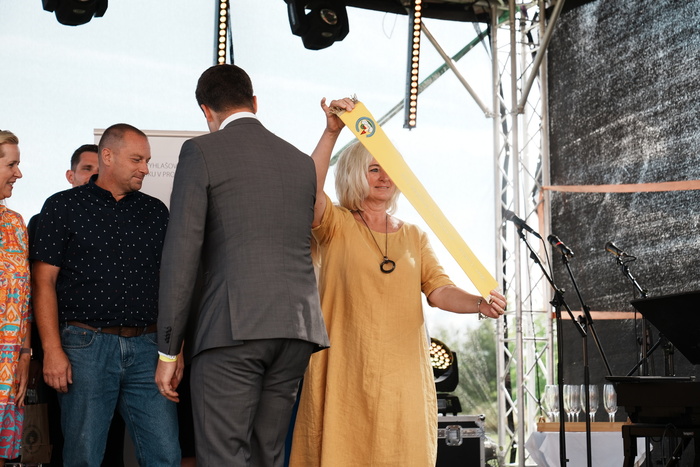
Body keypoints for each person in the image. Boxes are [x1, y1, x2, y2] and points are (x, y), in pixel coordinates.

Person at [288, 99, 507, 467]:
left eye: (390, 169)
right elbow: (306, 190)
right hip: (344, 370)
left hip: (403, 378)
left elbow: (439, 290)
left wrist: (479, 304)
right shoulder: (337, 224)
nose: (384, 177)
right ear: (354, 173)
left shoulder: (414, 236)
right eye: (374, 169)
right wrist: (331, 132)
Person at [155, 64, 329, 467]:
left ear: (206, 111)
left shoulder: (200, 151)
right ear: (254, 102)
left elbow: (182, 254)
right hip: (297, 329)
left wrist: (168, 351)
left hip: (232, 330)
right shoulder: (299, 162)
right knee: (268, 454)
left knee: (223, 456)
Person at [30, 123, 180, 466]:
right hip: (86, 348)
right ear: (108, 156)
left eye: (148, 160)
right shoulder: (62, 206)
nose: (145, 168)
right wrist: (52, 350)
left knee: (166, 455)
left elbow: (170, 284)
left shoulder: (156, 211)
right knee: (84, 457)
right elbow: (43, 282)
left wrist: (175, 350)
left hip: (149, 349)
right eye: (137, 159)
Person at [28, 142, 127, 467]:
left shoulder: (121, 221)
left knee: (111, 440)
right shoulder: (46, 217)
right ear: (70, 175)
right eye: (87, 169)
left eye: (98, 169)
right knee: (69, 439)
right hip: (63, 349)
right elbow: (36, 287)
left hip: (116, 347)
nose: (94, 175)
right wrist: (42, 352)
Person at [0, 130, 32, 465]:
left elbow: (25, 300)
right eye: (11, 164)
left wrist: (25, 353)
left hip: (9, 367)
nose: (18, 173)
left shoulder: (15, 224)